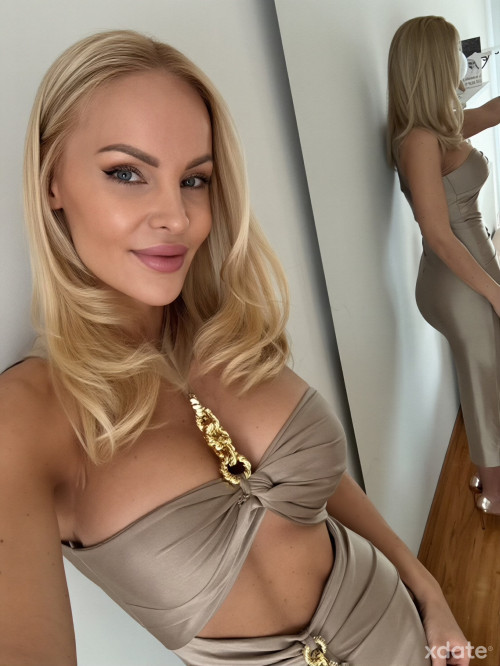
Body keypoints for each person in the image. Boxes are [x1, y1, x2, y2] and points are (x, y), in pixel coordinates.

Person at [0, 29, 467, 666]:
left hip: (404, 627)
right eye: (126, 173)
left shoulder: (226, 329)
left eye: (195, 180)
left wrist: (428, 588)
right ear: (51, 180)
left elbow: (320, 490)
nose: (176, 217)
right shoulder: (25, 421)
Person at [388, 15, 500, 521]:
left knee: (489, 372)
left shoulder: (439, 128)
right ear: (433, 62)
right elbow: (436, 232)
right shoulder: (419, 141)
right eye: (456, 52)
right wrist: (493, 293)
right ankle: (495, 493)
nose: (463, 61)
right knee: (485, 377)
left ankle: (486, 471)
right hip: (455, 278)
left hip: (473, 266)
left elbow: (492, 110)